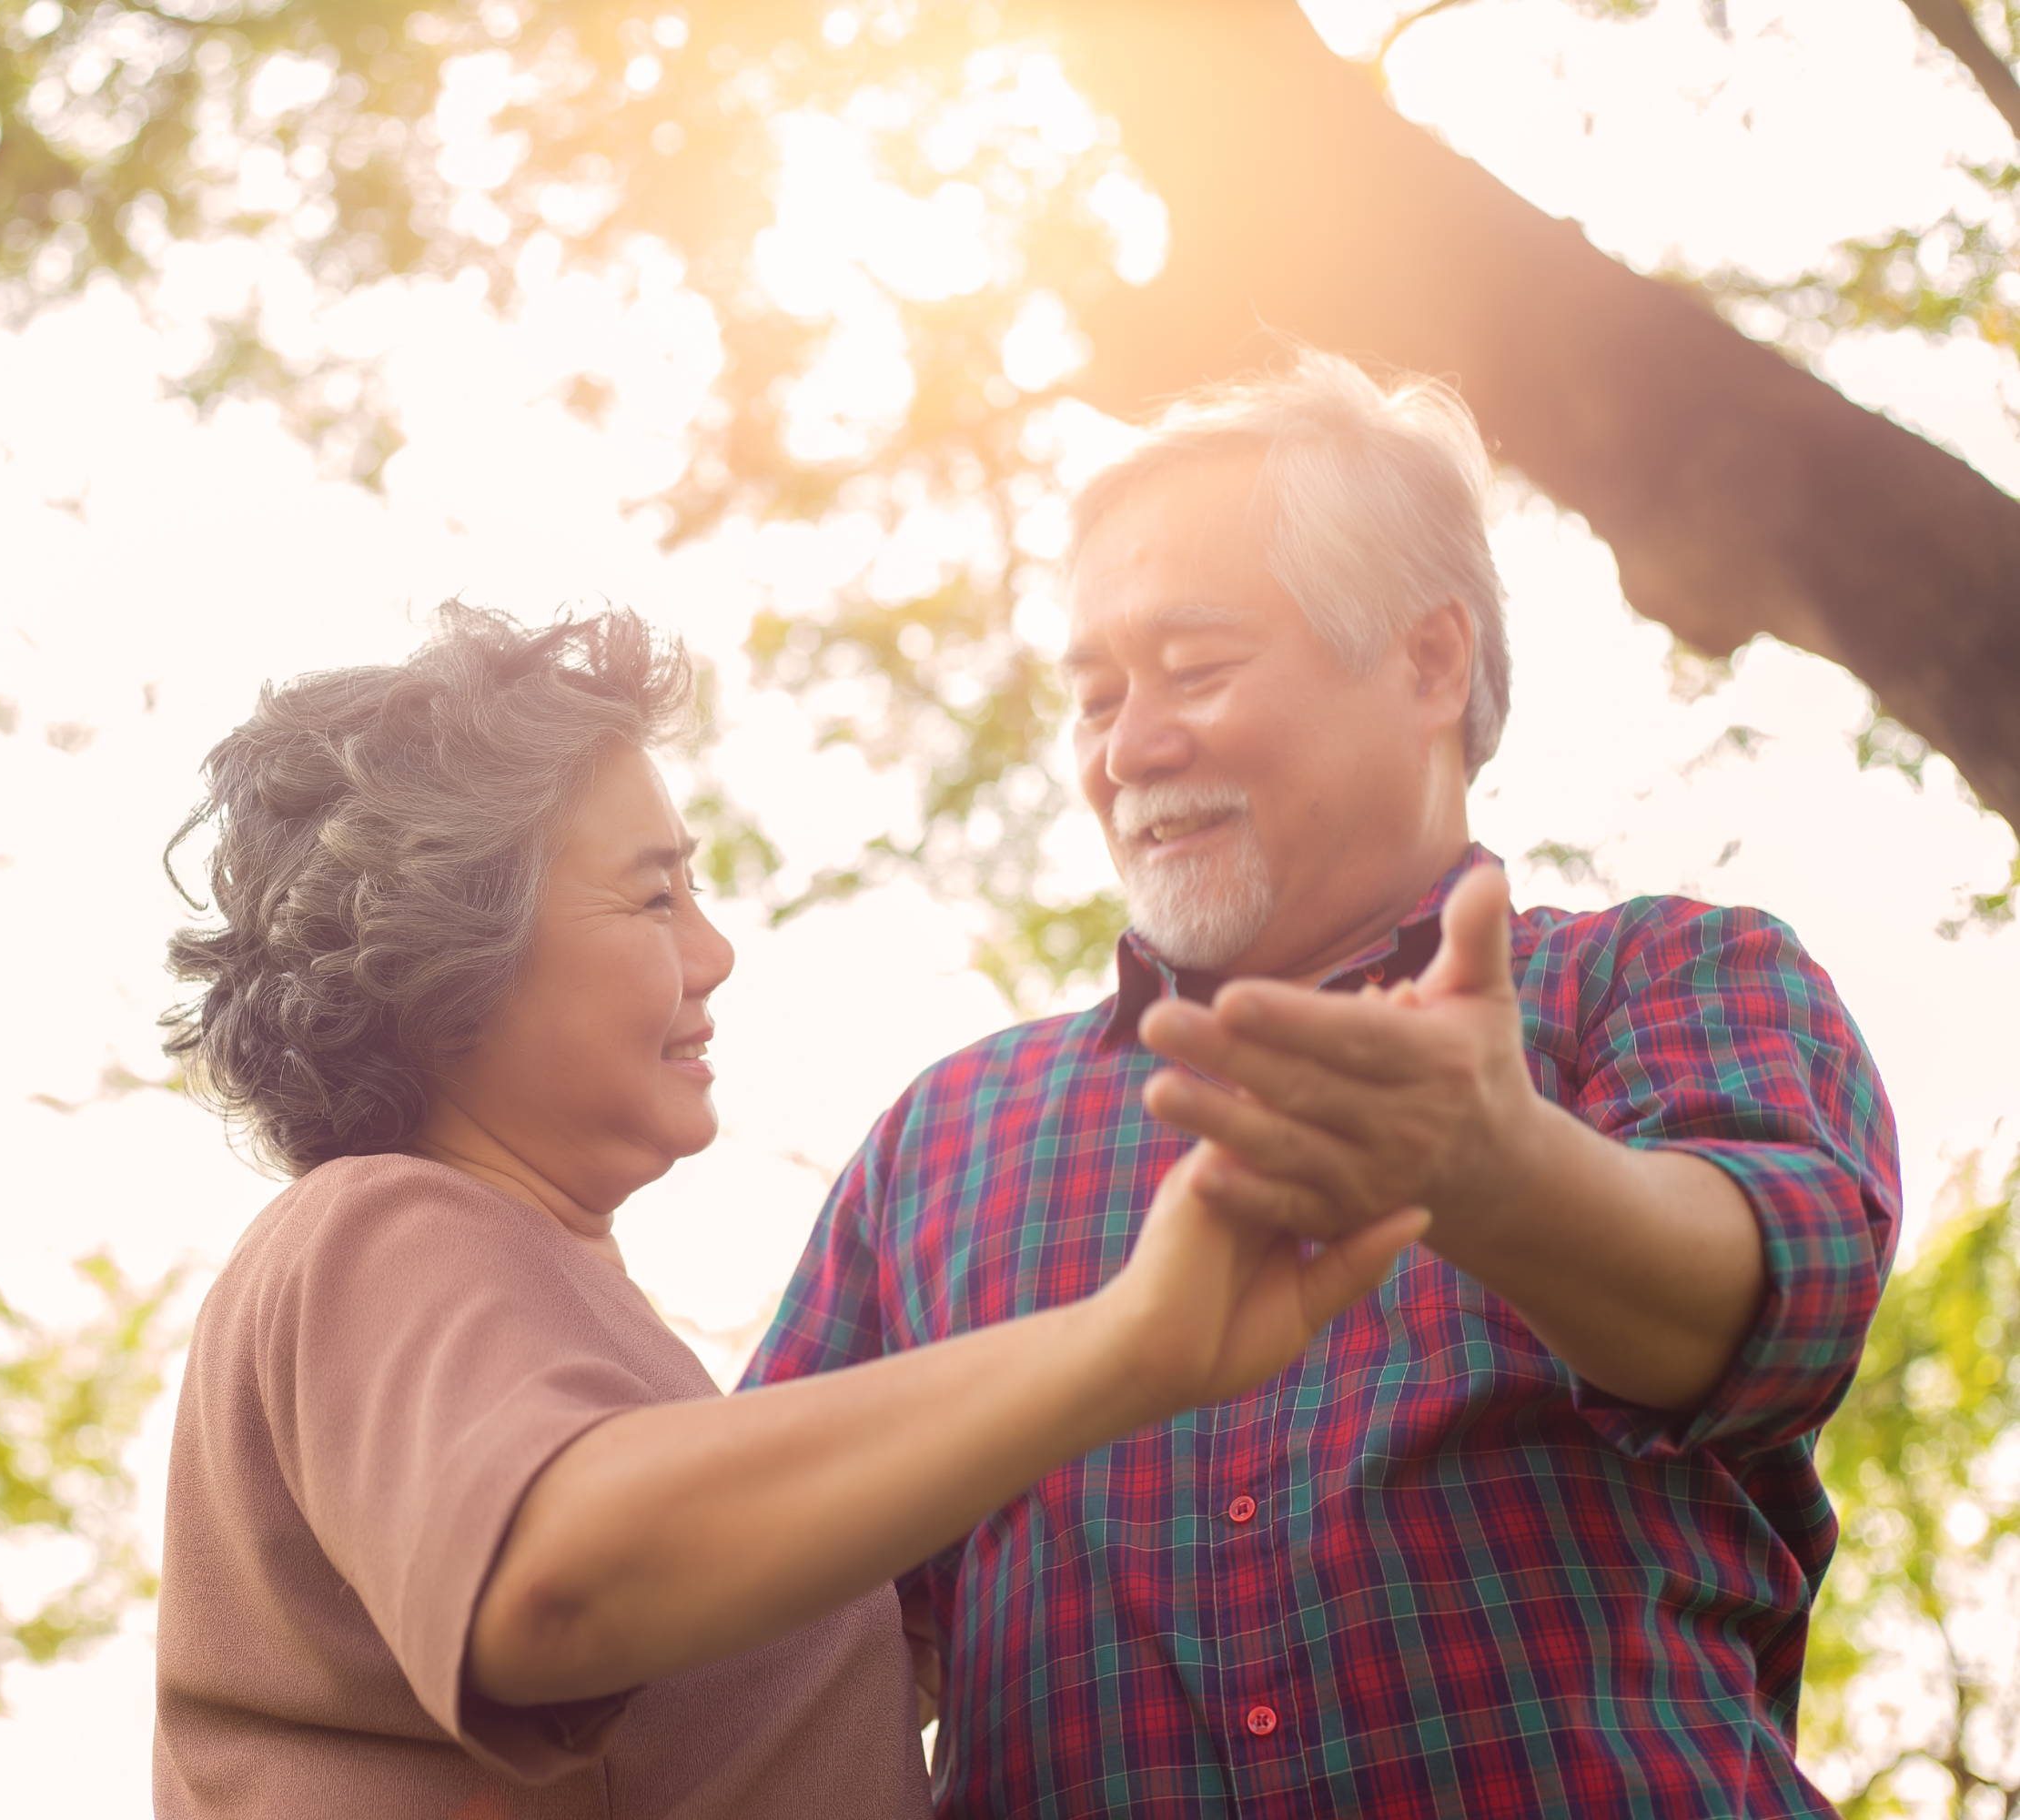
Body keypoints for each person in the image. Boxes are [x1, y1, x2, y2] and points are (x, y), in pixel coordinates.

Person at [744, 350, 1902, 1817]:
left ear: (1428, 662)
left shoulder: (1669, 979)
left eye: (1197, 668)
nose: (1130, 747)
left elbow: (1772, 1310)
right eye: (1095, 696)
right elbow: (762, 1608)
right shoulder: (945, 1140)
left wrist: (1497, 1175)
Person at [146, 604, 1426, 1819]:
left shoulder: (558, 1304)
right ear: (453, 945)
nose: (713, 954)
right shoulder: (380, 1227)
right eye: (655, 897)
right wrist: (1130, 1344)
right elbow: (556, 1582)